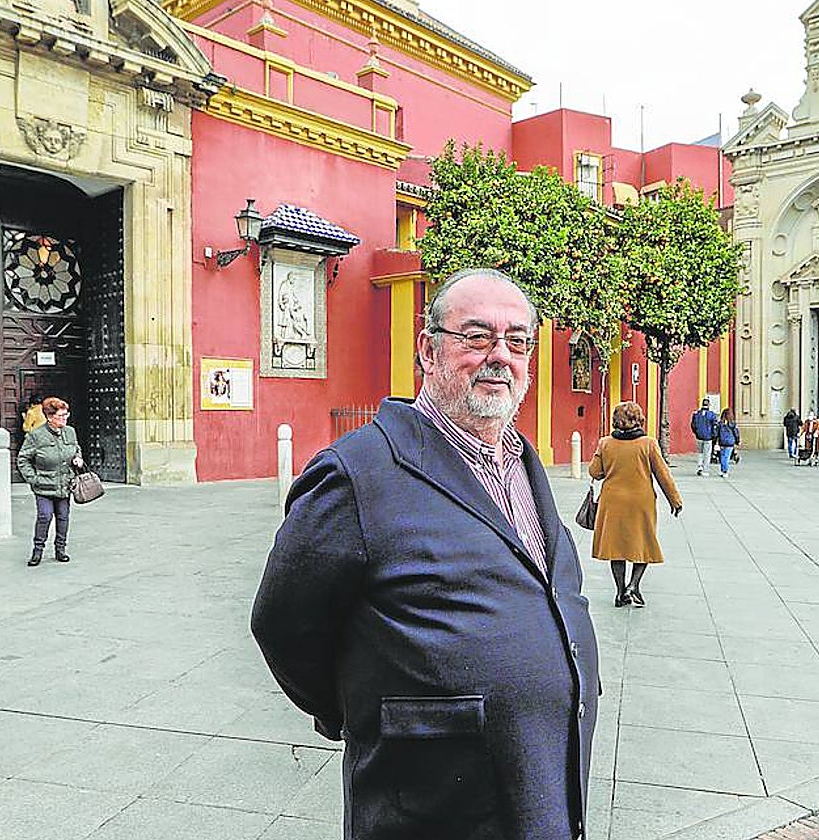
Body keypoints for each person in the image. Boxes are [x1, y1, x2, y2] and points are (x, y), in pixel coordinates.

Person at [251, 269, 598, 840]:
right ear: (427, 350)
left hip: (541, 790)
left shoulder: (520, 463)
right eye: (477, 336)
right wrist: (366, 713)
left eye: (517, 340)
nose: (500, 355)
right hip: (430, 806)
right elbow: (283, 623)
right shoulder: (358, 471)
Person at [591, 401, 682, 608]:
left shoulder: (605, 443)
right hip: (641, 501)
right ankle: (634, 585)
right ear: (638, 420)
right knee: (644, 543)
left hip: (612, 502)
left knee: (616, 548)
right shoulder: (648, 444)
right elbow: (663, 475)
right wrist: (674, 499)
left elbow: (595, 473)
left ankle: (620, 592)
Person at [17, 396, 83, 566]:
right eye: (60, 415)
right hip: (43, 485)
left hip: (65, 484)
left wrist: (77, 458)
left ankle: (60, 550)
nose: (64, 418)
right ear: (49, 417)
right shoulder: (36, 435)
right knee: (44, 516)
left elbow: (76, 449)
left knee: (63, 517)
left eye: (66, 415)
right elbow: (23, 459)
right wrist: (34, 479)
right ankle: (37, 551)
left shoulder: (70, 432)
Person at [691, 397, 718, 476]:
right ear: (709, 405)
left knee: (700, 452)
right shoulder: (712, 415)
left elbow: (693, 425)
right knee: (707, 454)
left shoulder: (696, 414)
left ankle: (699, 466)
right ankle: (705, 470)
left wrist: (696, 433)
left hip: (699, 436)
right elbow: (714, 426)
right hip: (708, 437)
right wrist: (714, 435)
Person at [716, 407, 740, 477]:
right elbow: (736, 432)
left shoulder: (720, 423)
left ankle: (722, 470)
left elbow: (716, 432)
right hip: (730, 442)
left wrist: (716, 440)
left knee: (722, 456)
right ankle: (725, 471)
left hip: (722, 441)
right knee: (726, 457)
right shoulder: (732, 423)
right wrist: (737, 441)